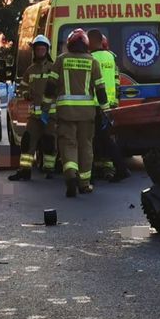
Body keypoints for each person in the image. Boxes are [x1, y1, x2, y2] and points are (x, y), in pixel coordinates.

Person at [42, 28, 109, 197]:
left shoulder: (61, 60)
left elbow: (50, 87)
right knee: (86, 146)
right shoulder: (92, 61)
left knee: (68, 144)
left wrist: (45, 108)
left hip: (65, 112)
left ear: (70, 43)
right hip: (87, 113)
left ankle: (71, 175)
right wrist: (106, 110)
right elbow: (100, 89)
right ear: (85, 44)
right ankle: (84, 183)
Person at [8, 35, 57, 181]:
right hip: (35, 116)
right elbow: (23, 87)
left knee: (49, 142)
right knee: (27, 142)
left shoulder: (54, 68)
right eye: (38, 49)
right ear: (34, 51)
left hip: (50, 115)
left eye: (43, 49)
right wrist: (26, 94)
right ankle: (25, 170)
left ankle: (49, 169)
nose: (40, 51)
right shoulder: (30, 70)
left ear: (47, 50)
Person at [87, 29, 130, 183]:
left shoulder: (90, 58)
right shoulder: (111, 57)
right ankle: (117, 169)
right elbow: (116, 80)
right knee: (105, 139)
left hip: (95, 105)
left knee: (90, 140)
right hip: (110, 105)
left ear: (91, 41)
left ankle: (93, 174)